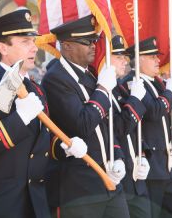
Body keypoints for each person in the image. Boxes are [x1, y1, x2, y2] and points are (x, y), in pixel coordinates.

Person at [0, 9, 84, 218]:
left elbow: (40, 139)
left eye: (33, 41)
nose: (34, 47)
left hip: (34, 202)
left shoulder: (36, 89)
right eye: (25, 42)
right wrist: (18, 119)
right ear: (3, 47)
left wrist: (63, 146)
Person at [42, 15, 129, 218]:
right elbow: (83, 124)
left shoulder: (88, 74)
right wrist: (103, 89)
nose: (93, 46)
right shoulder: (55, 79)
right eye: (86, 42)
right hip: (80, 185)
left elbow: (107, 125)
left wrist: (118, 157)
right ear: (67, 46)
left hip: (109, 178)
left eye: (93, 41)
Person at [123, 37, 172, 218]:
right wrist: (170, 92)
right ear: (140, 59)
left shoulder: (157, 82)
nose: (159, 61)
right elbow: (153, 112)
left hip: (168, 163)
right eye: (153, 57)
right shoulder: (132, 83)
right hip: (151, 165)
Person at [110, 35, 151, 218]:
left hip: (135, 170)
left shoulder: (120, 87)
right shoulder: (102, 90)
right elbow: (118, 129)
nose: (125, 61)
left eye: (125, 57)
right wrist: (134, 99)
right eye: (118, 56)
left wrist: (143, 153)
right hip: (118, 172)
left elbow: (136, 128)